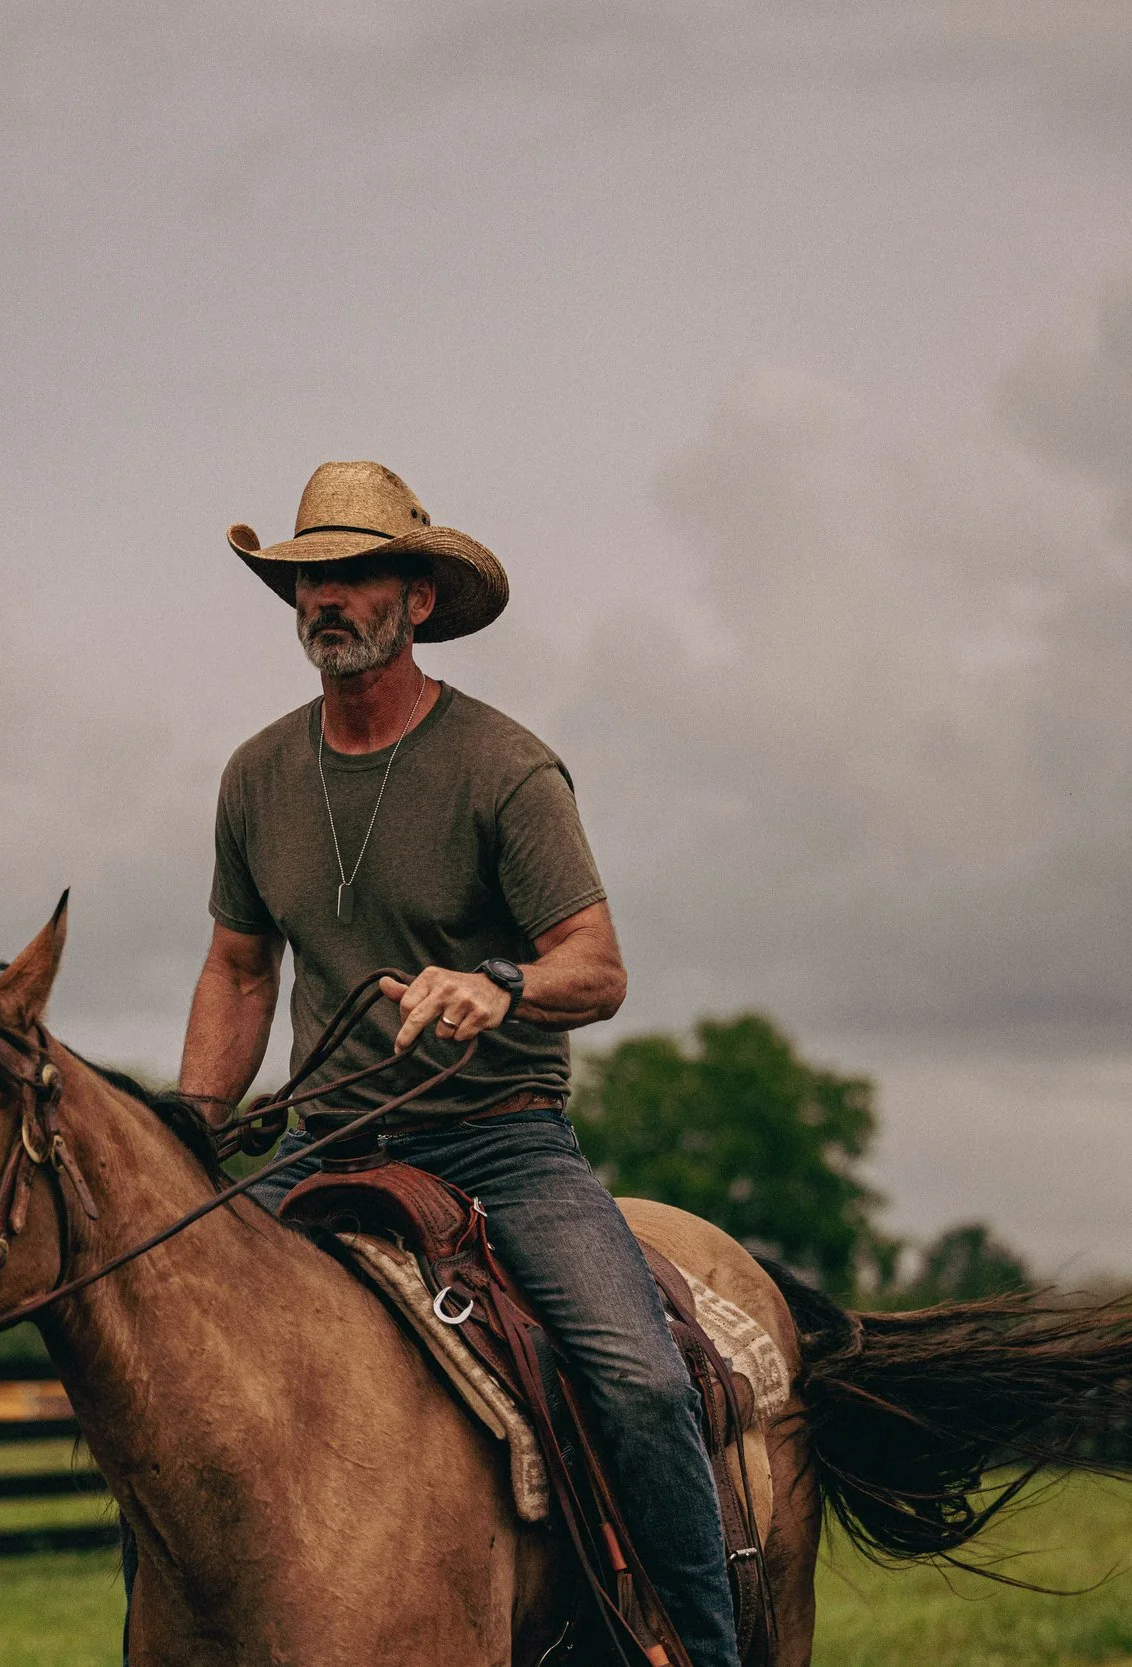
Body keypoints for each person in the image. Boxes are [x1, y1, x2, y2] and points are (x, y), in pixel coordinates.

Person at [177, 460, 742, 1665]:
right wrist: (193, 1126)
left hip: (500, 1141)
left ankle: (698, 1648)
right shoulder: (256, 775)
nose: (326, 598)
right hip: (319, 1141)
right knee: (176, 1378)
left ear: (418, 598)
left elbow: (597, 965)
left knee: (639, 1382)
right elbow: (237, 970)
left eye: (354, 575)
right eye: (306, 578)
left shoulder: (504, 767)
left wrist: (501, 984)